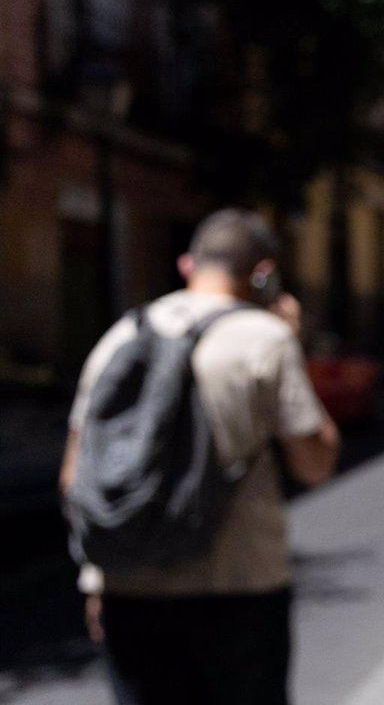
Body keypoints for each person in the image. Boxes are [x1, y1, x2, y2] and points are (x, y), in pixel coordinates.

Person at [59, 209, 341, 705]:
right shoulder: (265, 338)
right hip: (239, 591)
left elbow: (74, 478)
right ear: (263, 273)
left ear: (188, 265)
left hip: (131, 591)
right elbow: (314, 464)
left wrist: (96, 580)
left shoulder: (121, 337)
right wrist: (294, 341)